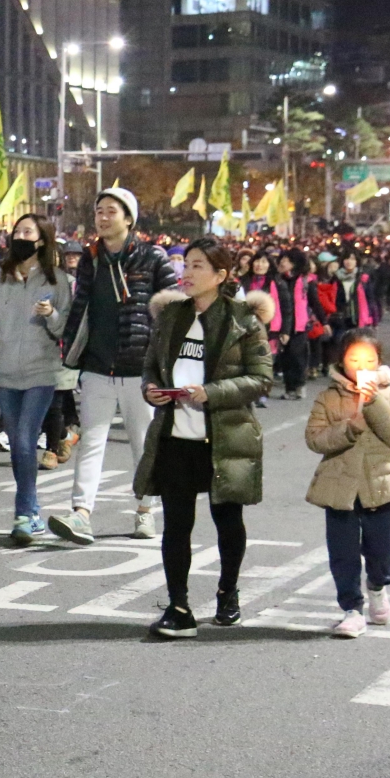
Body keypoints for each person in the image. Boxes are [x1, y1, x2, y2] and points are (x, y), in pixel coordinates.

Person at [134, 239, 274, 638]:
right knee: (176, 524)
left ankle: (227, 592)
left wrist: (212, 392)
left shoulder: (243, 320)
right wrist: (151, 389)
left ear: (221, 275)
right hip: (176, 436)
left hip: (225, 437)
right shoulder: (171, 316)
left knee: (227, 520)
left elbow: (261, 378)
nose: (187, 273)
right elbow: (150, 365)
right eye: (185, 264)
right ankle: (178, 607)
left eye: (198, 266)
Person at [49, 188, 177, 545]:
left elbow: (173, 311)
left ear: (129, 218)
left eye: (111, 211)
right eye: (99, 211)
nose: (103, 218)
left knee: (143, 443)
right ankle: (81, 514)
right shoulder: (91, 259)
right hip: (97, 366)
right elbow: (81, 308)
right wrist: (72, 352)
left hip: (140, 368)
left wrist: (163, 360)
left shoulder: (153, 258)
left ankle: (145, 511)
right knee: (91, 440)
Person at [305, 329, 390, 638]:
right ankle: (351, 610)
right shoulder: (328, 397)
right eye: (353, 358)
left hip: (380, 483)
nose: (361, 365)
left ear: (379, 362)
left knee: (381, 550)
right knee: (342, 551)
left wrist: (373, 402)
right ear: (341, 361)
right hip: (339, 485)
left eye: (369, 359)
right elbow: (315, 439)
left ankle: (377, 586)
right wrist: (348, 428)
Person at [0, 213, 72, 543]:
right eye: (17, 231)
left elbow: (65, 328)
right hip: (5, 373)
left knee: (22, 439)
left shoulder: (57, 279)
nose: (20, 236)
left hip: (41, 372)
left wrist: (52, 315)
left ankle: (25, 512)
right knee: (19, 445)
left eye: (27, 232)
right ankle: (30, 510)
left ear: (42, 240)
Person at [275, 249, 323, 400]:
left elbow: (315, 302)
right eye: (282, 259)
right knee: (285, 358)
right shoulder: (278, 280)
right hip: (282, 325)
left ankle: (299, 385)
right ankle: (289, 388)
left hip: (299, 326)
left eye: (287, 260)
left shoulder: (305, 281)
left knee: (298, 357)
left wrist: (324, 321)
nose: (283, 262)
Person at [244, 251, 282, 407]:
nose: (260, 265)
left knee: (265, 362)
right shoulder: (244, 281)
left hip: (269, 328)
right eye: (257, 261)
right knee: (248, 361)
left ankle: (262, 392)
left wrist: (281, 329)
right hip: (246, 327)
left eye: (264, 262)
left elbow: (284, 307)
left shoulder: (276, 283)